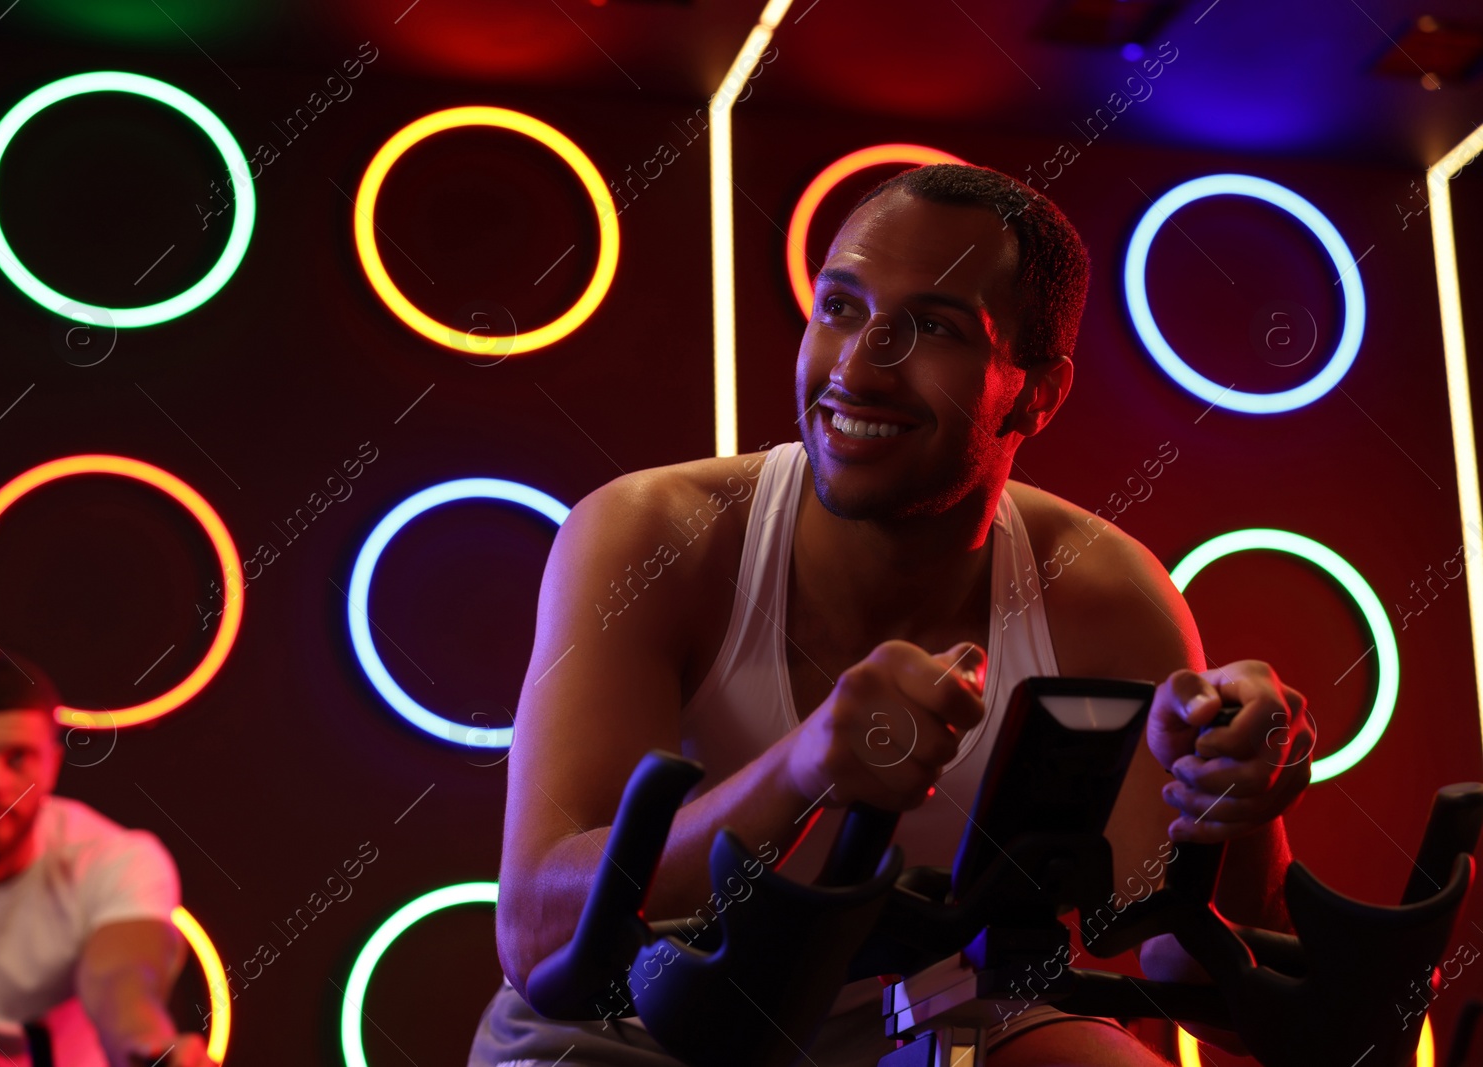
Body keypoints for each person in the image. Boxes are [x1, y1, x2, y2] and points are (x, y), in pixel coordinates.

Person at [469, 163, 1315, 1066]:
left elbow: (1206, 987)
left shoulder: (1110, 596)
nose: (859, 365)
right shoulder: (651, 535)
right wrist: (805, 767)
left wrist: (1234, 804)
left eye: (935, 328)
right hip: (630, 1025)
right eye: (839, 307)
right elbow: (537, 932)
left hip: (921, 1023)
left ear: (1036, 390)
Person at [0, 652, 215, 1067]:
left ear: (54, 764)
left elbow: (121, 981)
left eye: (17, 758)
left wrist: (148, 1050)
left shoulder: (115, 859)